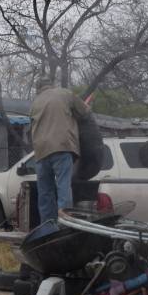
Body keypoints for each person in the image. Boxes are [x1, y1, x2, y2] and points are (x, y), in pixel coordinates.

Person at [29, 77, 88, 224]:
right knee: (63, 187)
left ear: (39, 89)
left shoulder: (35, 103)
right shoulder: (65, 93)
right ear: (52, 85)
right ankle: (65, 224)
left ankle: (47, 226)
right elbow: (85, 112)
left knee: (45, 193)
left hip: (41, 152)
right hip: (61, 147)